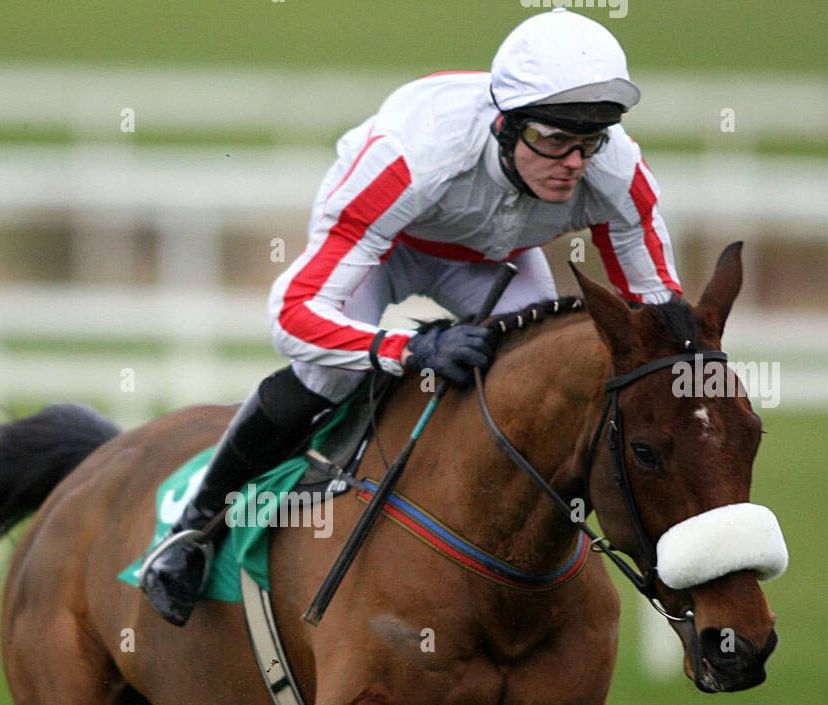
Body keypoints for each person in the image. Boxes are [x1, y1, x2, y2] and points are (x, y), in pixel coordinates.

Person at [140, 7, 683, 625]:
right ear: (505, 126)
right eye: (555, 140)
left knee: (539, 375)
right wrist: (408, 351)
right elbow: (292, 315)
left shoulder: (616, 172)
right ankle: (192, 533)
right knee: (328, 375)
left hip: (492, 260)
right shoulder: (415, 157)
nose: (575, 163)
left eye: (591, 141)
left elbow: (661, 315)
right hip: (384, 248)